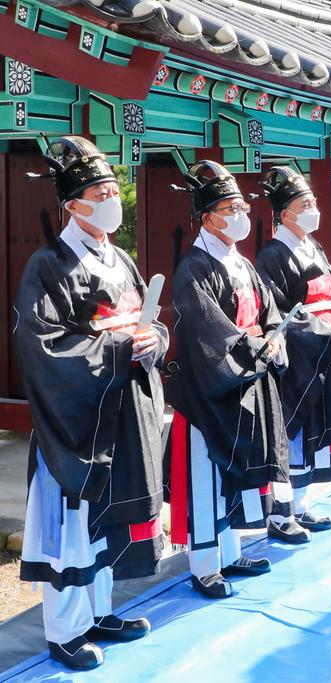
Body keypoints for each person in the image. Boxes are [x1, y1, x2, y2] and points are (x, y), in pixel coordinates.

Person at [13, 137, 166, 670]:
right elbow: (43, 345)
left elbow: (148, 319)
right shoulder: (47, 264)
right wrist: (120, 347)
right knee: (72, 525)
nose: (111, 200)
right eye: (99, 193)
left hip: (120, 409)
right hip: (76, 419)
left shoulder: (120, 257)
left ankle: (100, 612)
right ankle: (65, 631)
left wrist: (155, 342)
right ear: (72, 204)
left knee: (105, 518)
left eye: (111, 190)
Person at [165, 161, 288, 600]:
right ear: (208, 217)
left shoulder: (241, 262)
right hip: (210, 389)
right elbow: (205, 330)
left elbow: (269, 312)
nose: (240, 214)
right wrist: (255, 348)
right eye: (230, 207)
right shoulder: (192, 267)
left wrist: (274, 338)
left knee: (237, 474)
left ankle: (232, 552)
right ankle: (203, 566)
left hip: (246, 378)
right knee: (207, 476)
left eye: (241, 206)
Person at [255, 167, 331, 544]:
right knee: (292, 432)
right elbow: (277, 313)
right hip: (299, 358)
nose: (313, 209)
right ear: (285, 213)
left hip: (324, 350)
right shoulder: (271, 255)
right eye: (306, 204)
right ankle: (279, 512)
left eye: (314, 202)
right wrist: (322, 332)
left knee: (315, 432)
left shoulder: (314, 247)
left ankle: (301, 504)